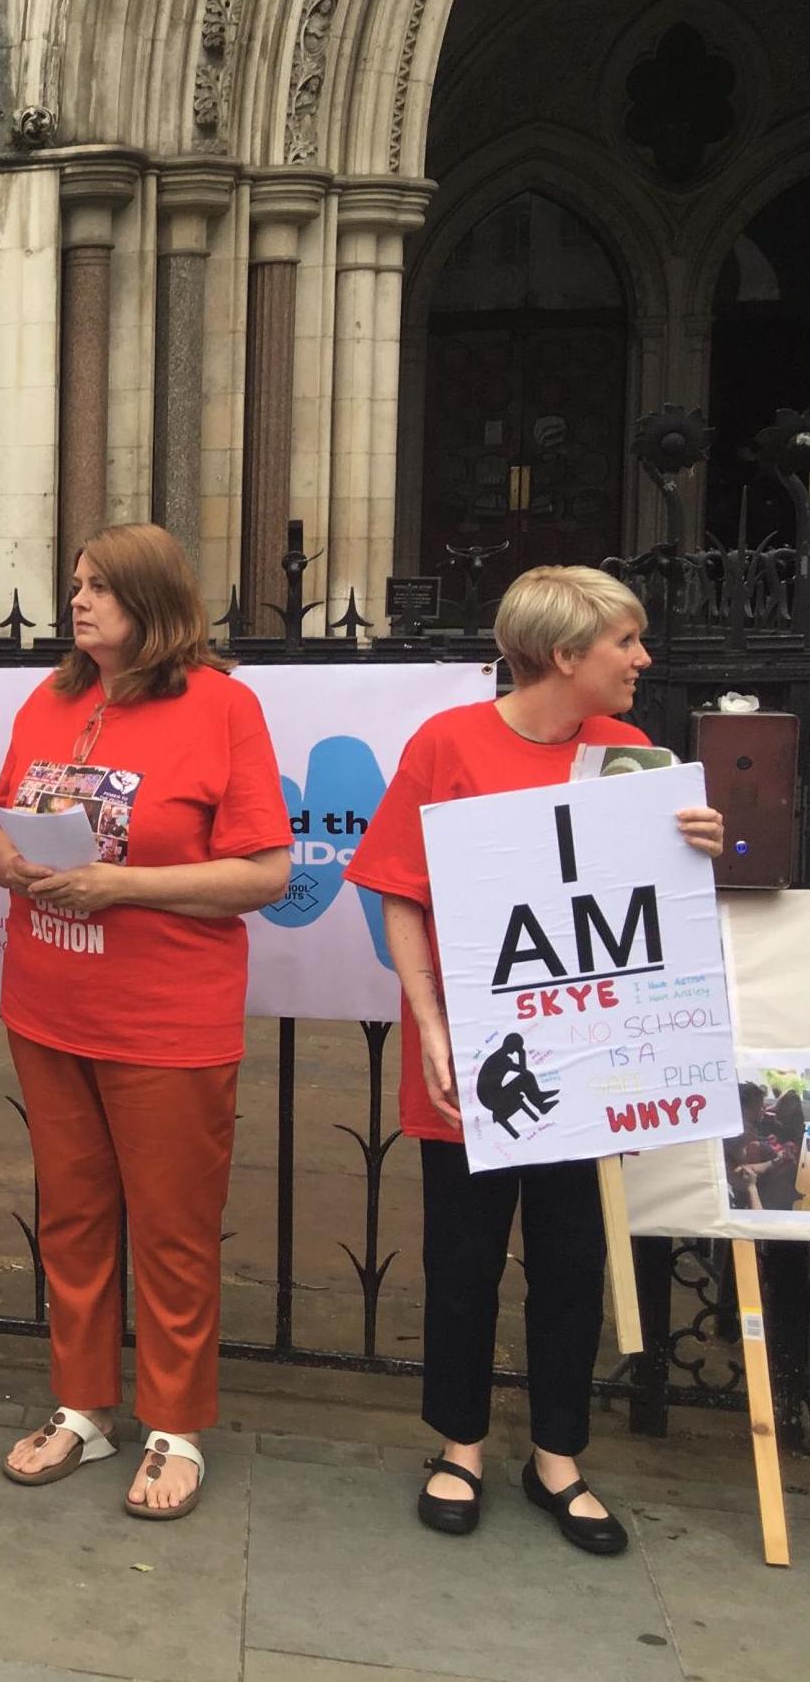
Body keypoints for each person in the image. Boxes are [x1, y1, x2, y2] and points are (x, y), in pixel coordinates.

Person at [347, 564, 722, 1555]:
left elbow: (648, 900)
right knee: (462, 1259)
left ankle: (557, 1451)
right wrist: (429, 1027)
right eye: (625, 643)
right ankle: (459, 1443)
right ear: (565, 654)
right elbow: (400, 892)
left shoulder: (632, 754)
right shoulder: (447, 744)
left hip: (587, 1061)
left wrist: (698, 841)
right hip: (471, 1061)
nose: (642, 659)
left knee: (571, 1257)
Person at [0, 522, 291, 1520]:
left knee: (170, 1227)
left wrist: (123, 886)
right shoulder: (51, 696)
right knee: (70, 1218)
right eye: (73, 584)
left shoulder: (222, 708)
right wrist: (9, 862)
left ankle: (175, 1423)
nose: (78, 602)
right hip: (47, 1003)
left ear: (153, 602)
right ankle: (82, 1405)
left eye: (101, 588)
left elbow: (265, 873)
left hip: (164, 1019)